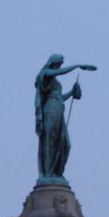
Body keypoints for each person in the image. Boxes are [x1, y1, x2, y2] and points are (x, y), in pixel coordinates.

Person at [35, 54, 97, 183]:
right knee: (49, 140)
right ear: (53, 63)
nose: (60, 67)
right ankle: (48, 173)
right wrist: (77, 66)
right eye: (59, 64)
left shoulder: (55, 82)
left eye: (61, 65)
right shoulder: (45, 74)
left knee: (64, 143)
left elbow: (60, 97)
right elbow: (59, 73)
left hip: (58, 109)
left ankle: (56, 172)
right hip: (50, 110)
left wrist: (72, 92)